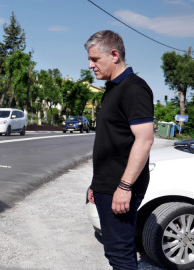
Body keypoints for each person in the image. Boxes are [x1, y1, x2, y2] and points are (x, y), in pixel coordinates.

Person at [85, 30, 154, 269]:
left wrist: (124, 187)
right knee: (114, 250)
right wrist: (96, 183)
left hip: (120, 187)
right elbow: (112, 143)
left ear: (114, 54)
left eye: (95, 59)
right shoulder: (113, 88)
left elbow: (144, 140)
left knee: (120, 253)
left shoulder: (133, 88)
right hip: (107, 185)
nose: (90, 65)